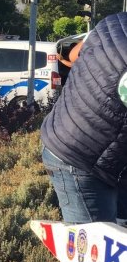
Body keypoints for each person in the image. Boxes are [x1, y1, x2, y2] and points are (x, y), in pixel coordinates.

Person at [41, 14, 127, 224]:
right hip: (80, 158)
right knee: (93, 249)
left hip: (101, 149)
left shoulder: (116, 23)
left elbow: (72, 53)